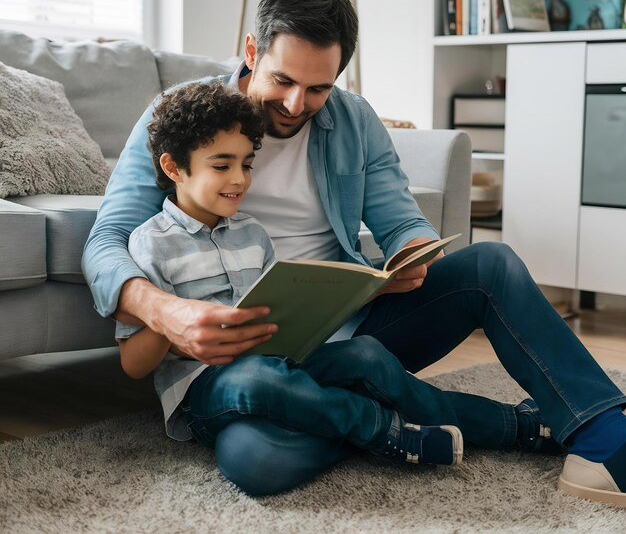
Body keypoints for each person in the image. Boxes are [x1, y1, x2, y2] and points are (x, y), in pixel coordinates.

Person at [83, 0, 626, 506]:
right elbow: (105, 239)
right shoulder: (183, 117)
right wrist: (163, 312)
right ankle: (405, 419)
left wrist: (410, 256)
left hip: (351, 336)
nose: (296, 104)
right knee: (259, 462)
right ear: (251, 50)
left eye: (318, 87)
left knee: (494, 265)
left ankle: (604, 435)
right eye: (282, 80)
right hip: (242, 359)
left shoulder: (354, 120)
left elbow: (401, 222)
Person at [117, 78, 468, 468]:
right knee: (256, 381)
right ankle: (385, 431)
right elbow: (132, 364)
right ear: (174, 167)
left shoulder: (252, 233)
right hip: (205, 390)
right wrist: (169, 323)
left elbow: (280, 317)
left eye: (246, 164)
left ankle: (511, 425)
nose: (238, 179)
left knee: (365, 353)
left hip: (278, 367)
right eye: (221, 165)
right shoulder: (151, 243)